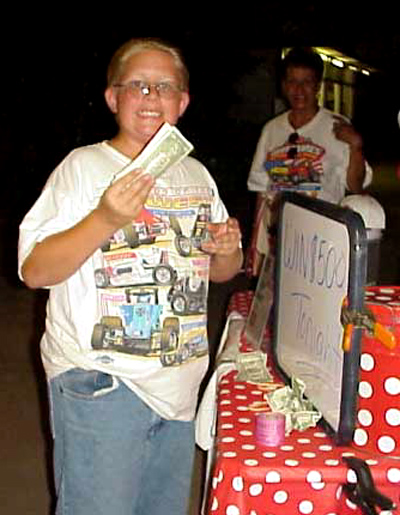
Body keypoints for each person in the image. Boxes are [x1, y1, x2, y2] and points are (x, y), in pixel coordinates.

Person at [18, 37, 242, 515]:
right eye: (137, 84)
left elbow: (222, 272)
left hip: (179, 385)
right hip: (102, 381)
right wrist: (106, 218)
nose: (151, 95)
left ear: (183, 102)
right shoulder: (83, 168)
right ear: (112, 98)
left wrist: (226, 251)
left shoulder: (197, 176)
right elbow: (35, 271)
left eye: (165, 86)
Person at [247, 47, 372, 275]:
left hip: (322, 239)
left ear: (318, 86)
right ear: (283, 85)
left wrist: (356, 146)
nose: (299, 90)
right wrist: (255, 244)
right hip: (278, 237)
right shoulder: (271, 130)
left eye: (306, 82)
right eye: (292, 82)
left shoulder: (337, 126)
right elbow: (261, 190)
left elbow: (356, 186)